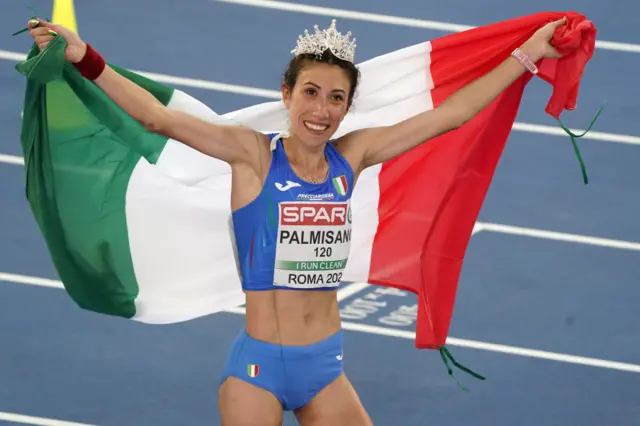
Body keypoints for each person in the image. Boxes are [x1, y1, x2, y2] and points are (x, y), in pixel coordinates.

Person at [27, 15, 566, 426]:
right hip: (258, 371)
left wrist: (527, 55)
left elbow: (451, 114)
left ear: (348, 107)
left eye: (336, 98)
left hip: (326, 369)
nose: (322, 109)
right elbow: (155, 117)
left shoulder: (350, 157)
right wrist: (84, 57)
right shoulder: (253, 155)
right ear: (287, 95)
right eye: (311, 92)